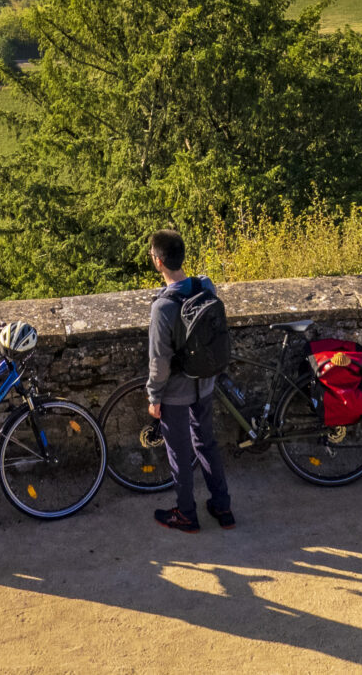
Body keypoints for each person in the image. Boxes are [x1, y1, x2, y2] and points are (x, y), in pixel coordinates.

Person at [145, 228, 234, 533]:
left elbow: (159, 361)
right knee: (206, 442)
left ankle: (186, 514)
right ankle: (223, 507)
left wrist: (154, 398)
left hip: (176, 393)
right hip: (205, 382)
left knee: (179, 453)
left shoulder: (162, 308)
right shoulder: (206, 286)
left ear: (158, 261)